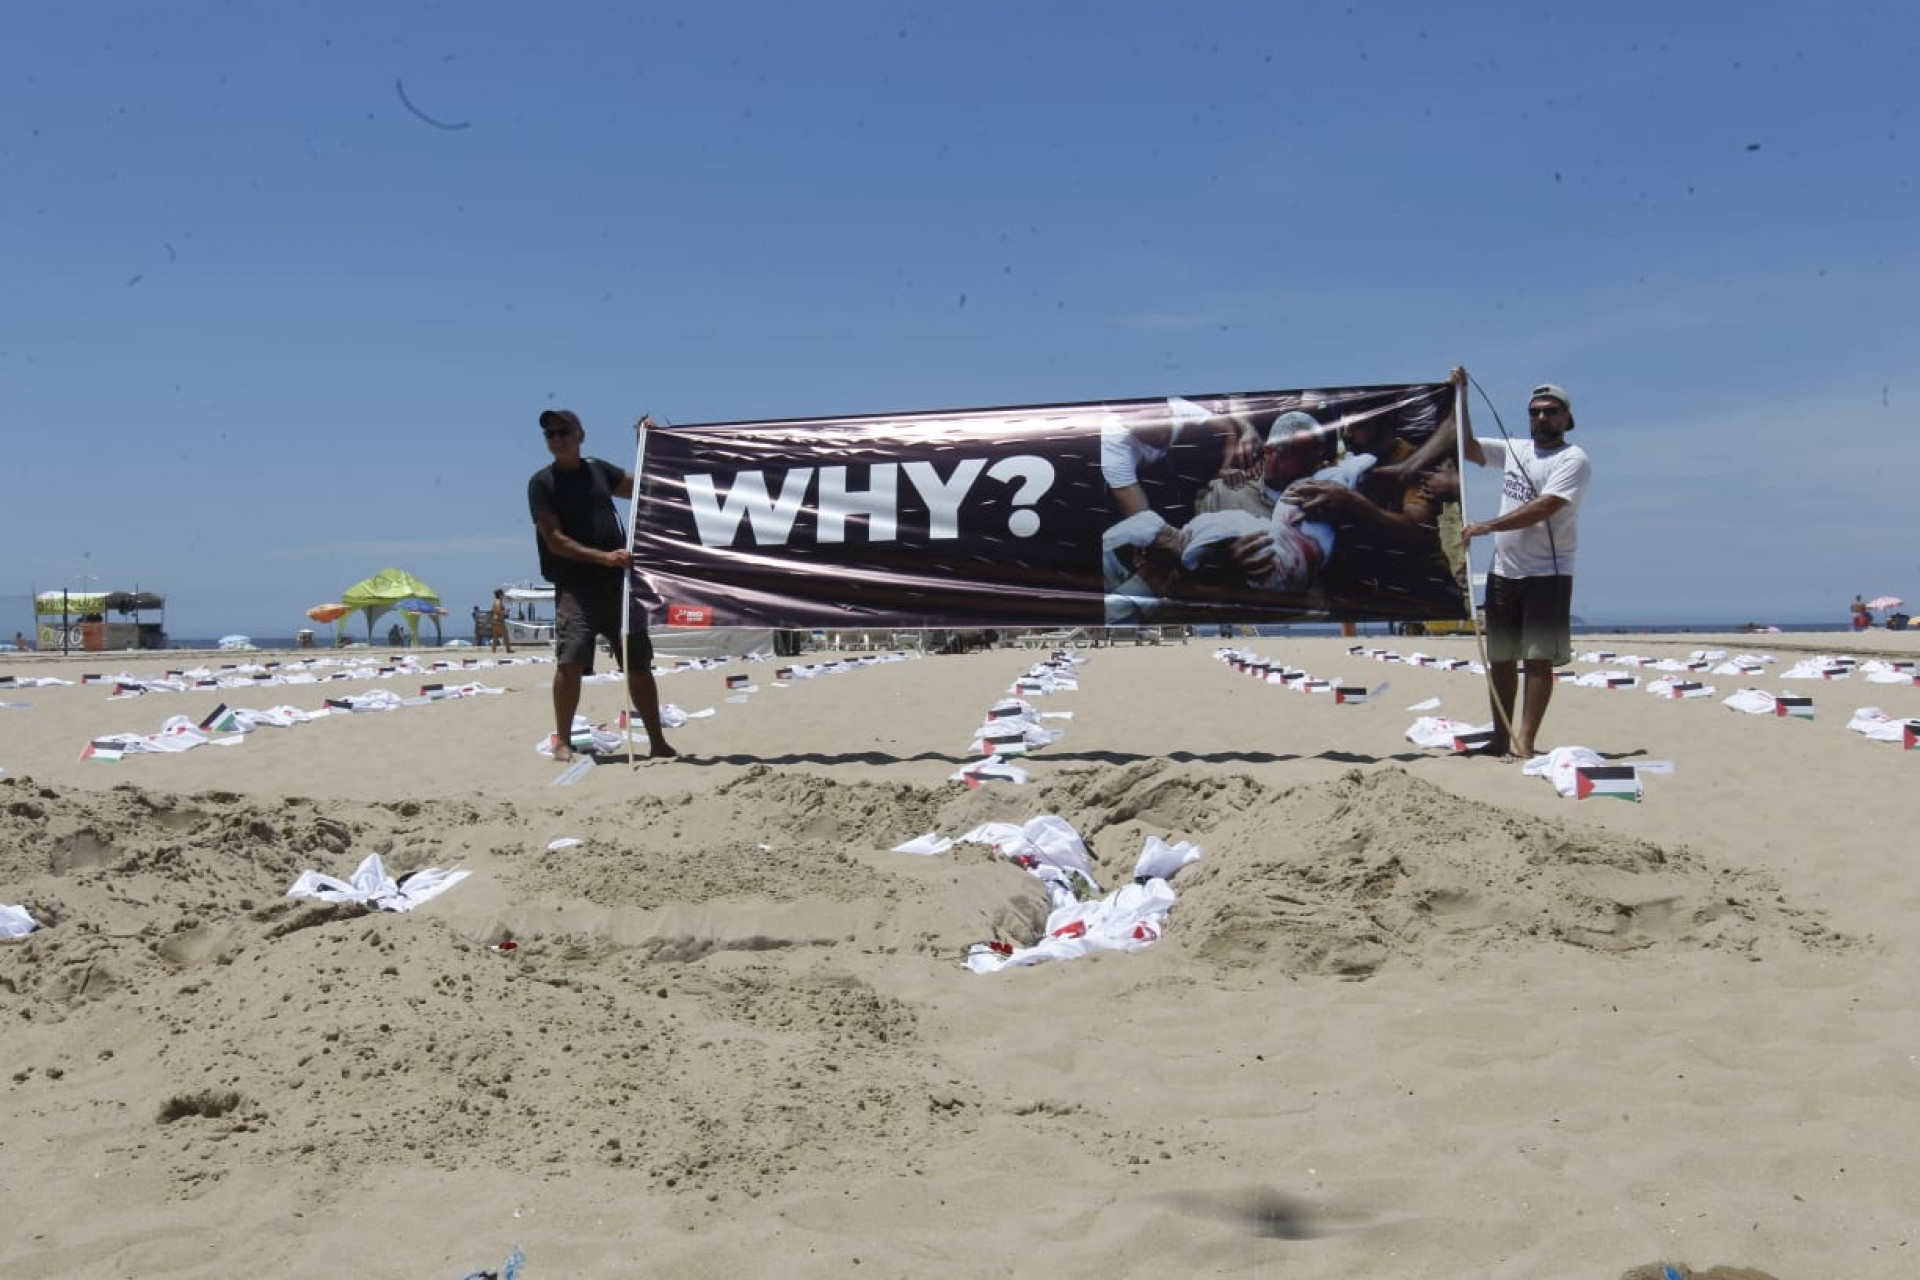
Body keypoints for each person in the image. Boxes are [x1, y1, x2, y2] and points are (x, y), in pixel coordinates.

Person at [527, 408, 675, 763]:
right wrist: (603, 557)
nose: (557, 438)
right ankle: (562, 740)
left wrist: (648, 444)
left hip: (618, 585)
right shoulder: (542, 483)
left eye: (564, 431)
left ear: (580, 434)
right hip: (576, 587)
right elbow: (555, 540)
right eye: (550, 434)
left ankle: (657, 740)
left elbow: (645, 490)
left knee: (638, 665)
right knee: (570, 662)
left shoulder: (597, 470)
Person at [1457, 374, 1591, 759]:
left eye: (1551, 412)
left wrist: (1487, 526)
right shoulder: (1515, 449)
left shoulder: (1573, 458)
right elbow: (1467, 448)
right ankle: (1500, 737)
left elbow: (1545, 507)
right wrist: (1461, 395)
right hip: (1504, 571)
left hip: (1548, 573)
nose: (1542, 418)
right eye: (1535, 413)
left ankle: (1525, 741)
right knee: (1501, 656)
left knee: (1537, 658)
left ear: (1567, 417)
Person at [489, 588, 514, 654]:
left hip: (494, 620)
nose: (503, 595)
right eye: (502, 594)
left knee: (495, 636)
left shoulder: (494, 602)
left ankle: (493, 650)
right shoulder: (498, 602)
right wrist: (505, 612)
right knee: (505, 634)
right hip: (499, 620)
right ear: (500, 595)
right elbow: (498, 611)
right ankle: (508, 649)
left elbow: (493, 611)